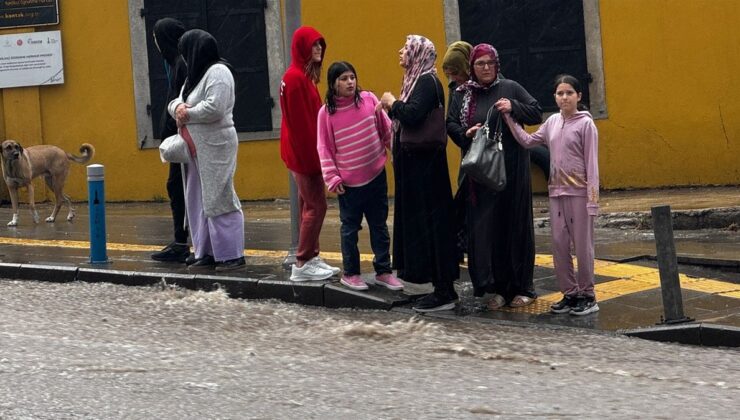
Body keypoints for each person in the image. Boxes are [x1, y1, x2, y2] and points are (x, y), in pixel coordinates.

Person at [446, 43, 542, 309]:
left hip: (512, 168)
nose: (486, 68)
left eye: (490, 63)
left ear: (497, 65)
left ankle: (523, 287)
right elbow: (450, 124)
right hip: (483, 173)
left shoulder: (510, 87)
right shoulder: (463, 94)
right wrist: (466, 133)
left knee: (516, 226)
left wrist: (513, 107)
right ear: (472, 68)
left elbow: (535, 110)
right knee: (491, 230)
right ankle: (499, 288)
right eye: (480, 64)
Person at [499, 74, 600, 316]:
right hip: (556, 193)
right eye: (560, 93)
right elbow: (528, 141)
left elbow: (592, 165)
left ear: (579, 96)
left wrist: (592, 201)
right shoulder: (552, 122)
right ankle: (570, 293)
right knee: (559, 246)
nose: (564, 97)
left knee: (583, 248)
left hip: (579, 194)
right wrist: (509, 117)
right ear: (554, 97)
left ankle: (588, 295)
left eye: (569, 93)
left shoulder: (586, 125)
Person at [379, 35, 459, 312]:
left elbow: (412, 115)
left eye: (406, 48)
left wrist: (391, 102)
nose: (400, 51)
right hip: (416, 168)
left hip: (426, 170)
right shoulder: (416, 80)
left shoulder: (426, 81)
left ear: (417, 54)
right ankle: (437, 287)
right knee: (424, 226)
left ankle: (444, 290)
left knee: (433, 226)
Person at [316, 61, 403, 292]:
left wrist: (397, 153)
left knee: (379, 226)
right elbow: (324, 147)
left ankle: (383, 271)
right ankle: (351, 273)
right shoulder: (326, 113)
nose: (350, 82)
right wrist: (332, 178)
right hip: (349, 184)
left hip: (376, 176)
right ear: (333, 84)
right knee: (350, 229)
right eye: (343, 79)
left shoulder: (369, 100)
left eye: (352, 77)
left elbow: (385, 130)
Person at [168, 29, 245, 272]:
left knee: (219, 197)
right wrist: (179, 107)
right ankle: (206, 251)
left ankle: (231, 254)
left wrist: (186, 112)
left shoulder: (218, 72)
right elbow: (174, 102)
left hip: (216, 147)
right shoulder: (195, 75)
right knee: (198, 199)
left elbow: (216, 108)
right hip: (195, 151)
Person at [279, 26, 340, 282]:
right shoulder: (296, 79)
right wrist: (319, 162)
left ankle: (310, 257)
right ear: (302, 47)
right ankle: (303, 261)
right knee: (317, 206)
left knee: (308, 206)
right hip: (305, 156)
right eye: (314, 45)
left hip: (301, 154)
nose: (318, 49)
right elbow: (303, 127)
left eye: (320, 45)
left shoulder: (299, 77)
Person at [150, 18, 190, 263]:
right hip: (177, 138)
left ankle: (182, 242)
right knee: (178, 187)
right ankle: (181, 240)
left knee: (179, 187)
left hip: (182, 138)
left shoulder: (181, 65)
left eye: (157, 39)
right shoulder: (176, 63)